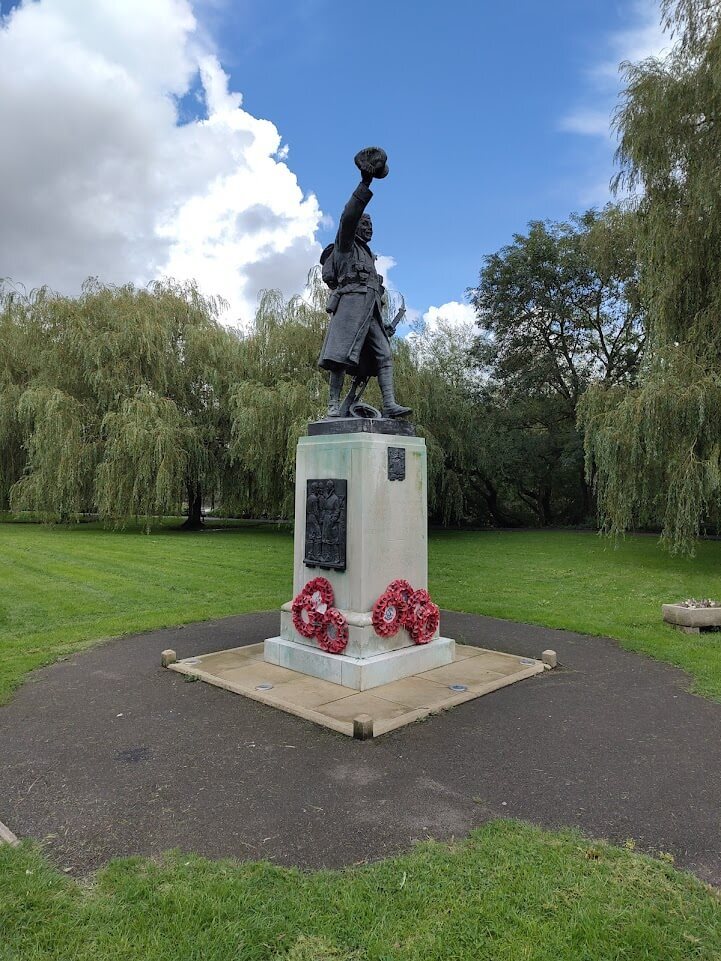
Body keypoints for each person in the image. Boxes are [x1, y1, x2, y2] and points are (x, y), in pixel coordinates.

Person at [318, 148, 411, 419]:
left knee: (384, 355)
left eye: (371, 225)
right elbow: (349, 214)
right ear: (355, 227)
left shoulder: (369, 255)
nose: (369, 228)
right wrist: (366, 182)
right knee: (339, 356)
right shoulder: (345, 246)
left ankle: (390, 404)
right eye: (365, 223)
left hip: (371, 311)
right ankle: (333, 405)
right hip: (350, 307)